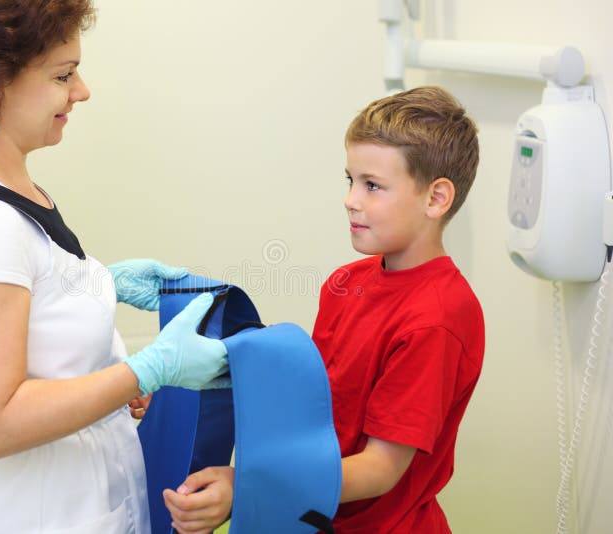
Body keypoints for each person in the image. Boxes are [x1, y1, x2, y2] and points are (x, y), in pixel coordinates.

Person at [0, 1, 227, 533]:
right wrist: (142, 371)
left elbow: (21, 312)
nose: (81, 91)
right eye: (63, 75)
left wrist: (91, 288)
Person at [164, 86, 485, 533]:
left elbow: (380, 468)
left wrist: (250, 486)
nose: (351, 199)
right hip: (315, 519)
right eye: (350, 180)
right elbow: (313, 404)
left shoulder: (437, 318)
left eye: (373, 185)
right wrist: (183, 376)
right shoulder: (345, 283)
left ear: (435, 199)